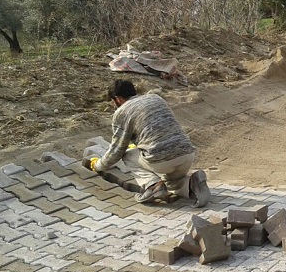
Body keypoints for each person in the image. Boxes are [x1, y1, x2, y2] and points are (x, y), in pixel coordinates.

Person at [90, 79, 210, 207]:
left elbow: (117, 151)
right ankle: (193, 183)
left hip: (161, 159)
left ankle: (153, 186)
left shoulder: (122, 112)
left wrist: (98, 165)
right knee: (170, 183)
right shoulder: (155, 98)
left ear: (117, 98)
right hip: (186, 155)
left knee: (127, 156)